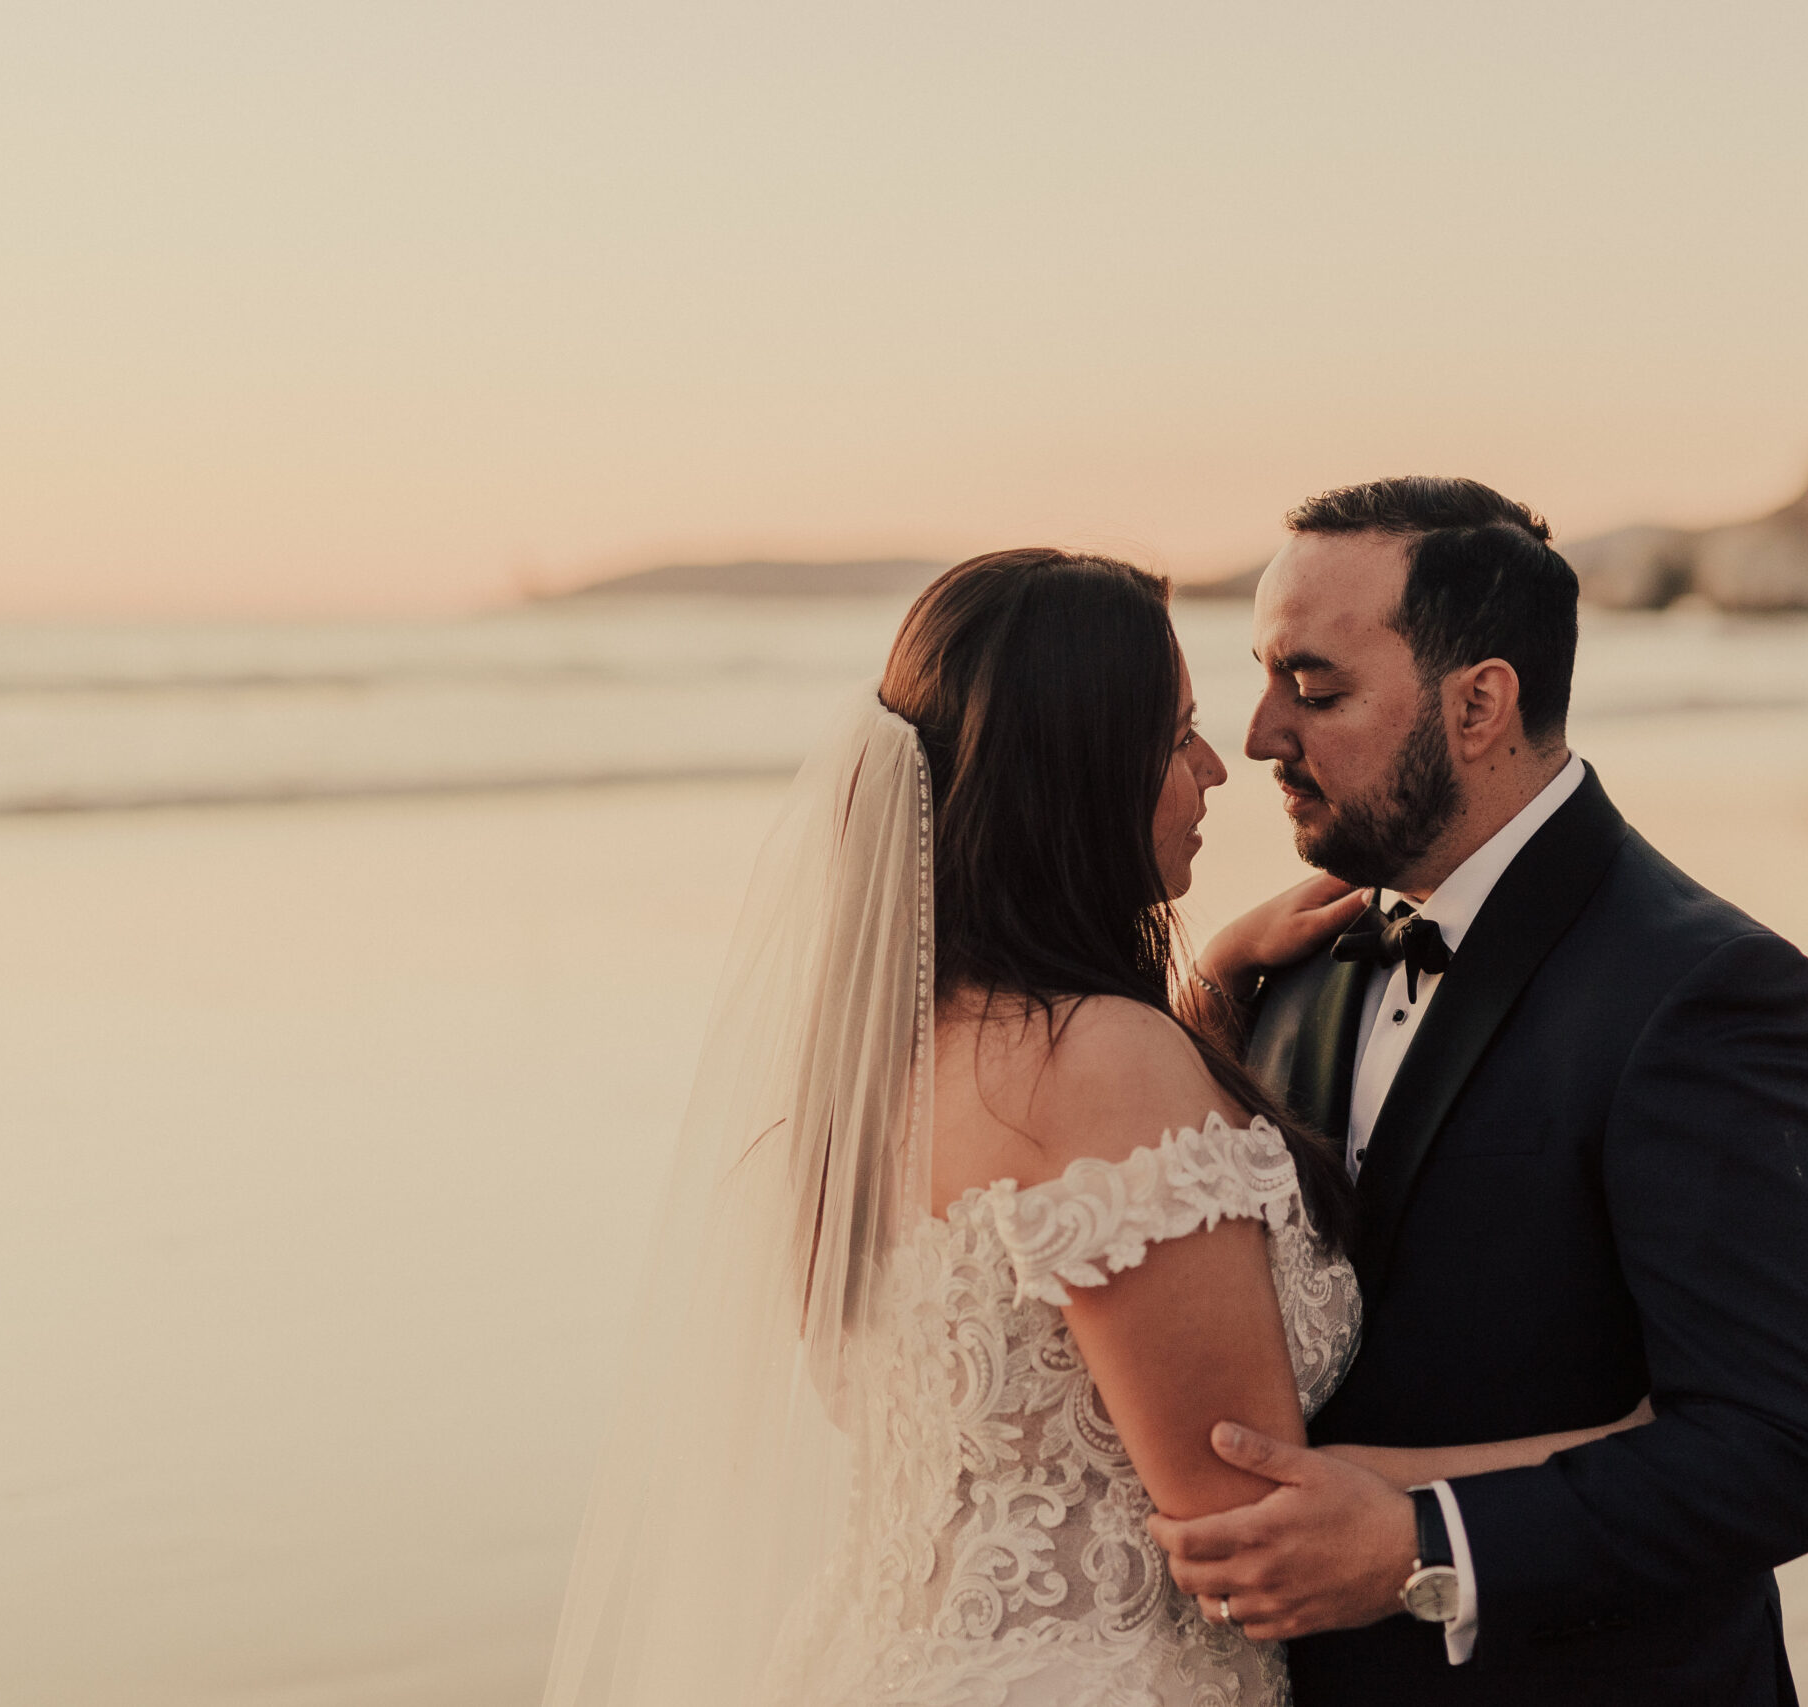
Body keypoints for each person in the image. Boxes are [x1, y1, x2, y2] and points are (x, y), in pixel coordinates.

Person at [540, 547, 1646, 1707]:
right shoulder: (1103, 1064)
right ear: (1075, 775)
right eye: (1175, 737)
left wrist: (1208, 985)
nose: (1220, 767)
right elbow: (1246, 1522)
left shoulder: (890, 1053)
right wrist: (1597, 1447)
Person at [1151, 478, 1808, 1706]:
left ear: (1480, 702)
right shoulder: (1289, 959)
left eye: (1315, 690)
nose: (1263, 734)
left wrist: (1427, 1545)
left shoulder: (1711, 993)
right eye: (1265, 682)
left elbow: (1787, 1449)